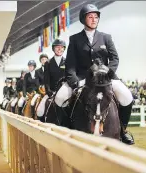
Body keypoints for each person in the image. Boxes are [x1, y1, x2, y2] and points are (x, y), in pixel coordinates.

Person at [54, 4, 135, 145]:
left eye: (96, 17)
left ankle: (123, 130)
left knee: (127, 97)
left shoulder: (106, 38)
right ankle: (65, 128)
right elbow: (70, 65)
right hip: (82, 78)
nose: (94, 20)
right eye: (90, 17)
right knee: (59, 98)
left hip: (105, 78)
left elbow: (115, 58)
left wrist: (108, 74)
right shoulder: (75, 39)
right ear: (83, 19)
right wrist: (74, 83)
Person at [36, 39, 67, 122]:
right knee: (40, 111)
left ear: (64, 49)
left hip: (65, 92)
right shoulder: (48, 63)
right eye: (57, 47)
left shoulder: (67, 62)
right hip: (52, 92)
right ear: (53, 49)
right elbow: (46, 80)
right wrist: (49, 92)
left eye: (61, 47)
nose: (60, 49)